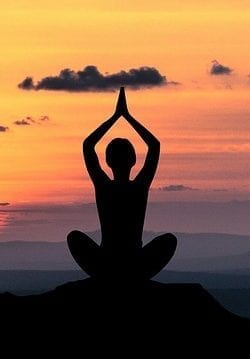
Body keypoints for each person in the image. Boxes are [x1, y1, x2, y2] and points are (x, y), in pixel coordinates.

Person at [67, 87, 176, 282]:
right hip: (134, 263)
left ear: (107, 161)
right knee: (169, 240)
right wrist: (126, 116)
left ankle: (111, 276)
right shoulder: (139, 186)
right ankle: (128, 277)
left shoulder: (104, 186)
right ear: (134, 160)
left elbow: (88, 145)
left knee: (74, 237)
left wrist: (116, 116)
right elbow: (154, 146)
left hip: (108, 263)